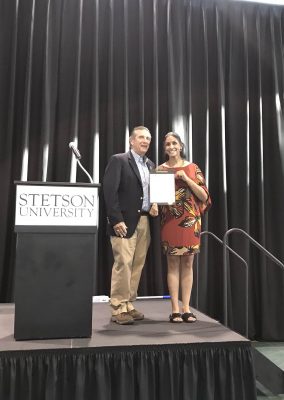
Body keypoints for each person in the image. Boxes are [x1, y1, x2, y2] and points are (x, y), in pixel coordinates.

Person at [103, 126, 158, 325]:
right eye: (141, 137)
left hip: (144, 221)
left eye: (148, 138)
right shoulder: (119, 160)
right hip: (124, 222)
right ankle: (118, 307)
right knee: (123, 264)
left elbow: (150, 192)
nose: (145, 141)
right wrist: (116, 219)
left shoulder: (151, 164)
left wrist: (154, 204)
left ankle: (128, 304)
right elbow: (110, 192)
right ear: (131, 140)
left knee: (137, 264)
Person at [157, 132, 211, 323]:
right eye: (167, 144)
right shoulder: (159, 170)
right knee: (172, 264)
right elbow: (156, 200)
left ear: (181, 146)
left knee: (188, 264)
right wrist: (154, 205)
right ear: (165, 148)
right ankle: (175, 310)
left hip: (190, 220)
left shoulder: (192, 167)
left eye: (174, 143)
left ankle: (186, 308)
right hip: (170, 221)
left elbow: (204, 196)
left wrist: (186, 179)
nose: (171, 146)